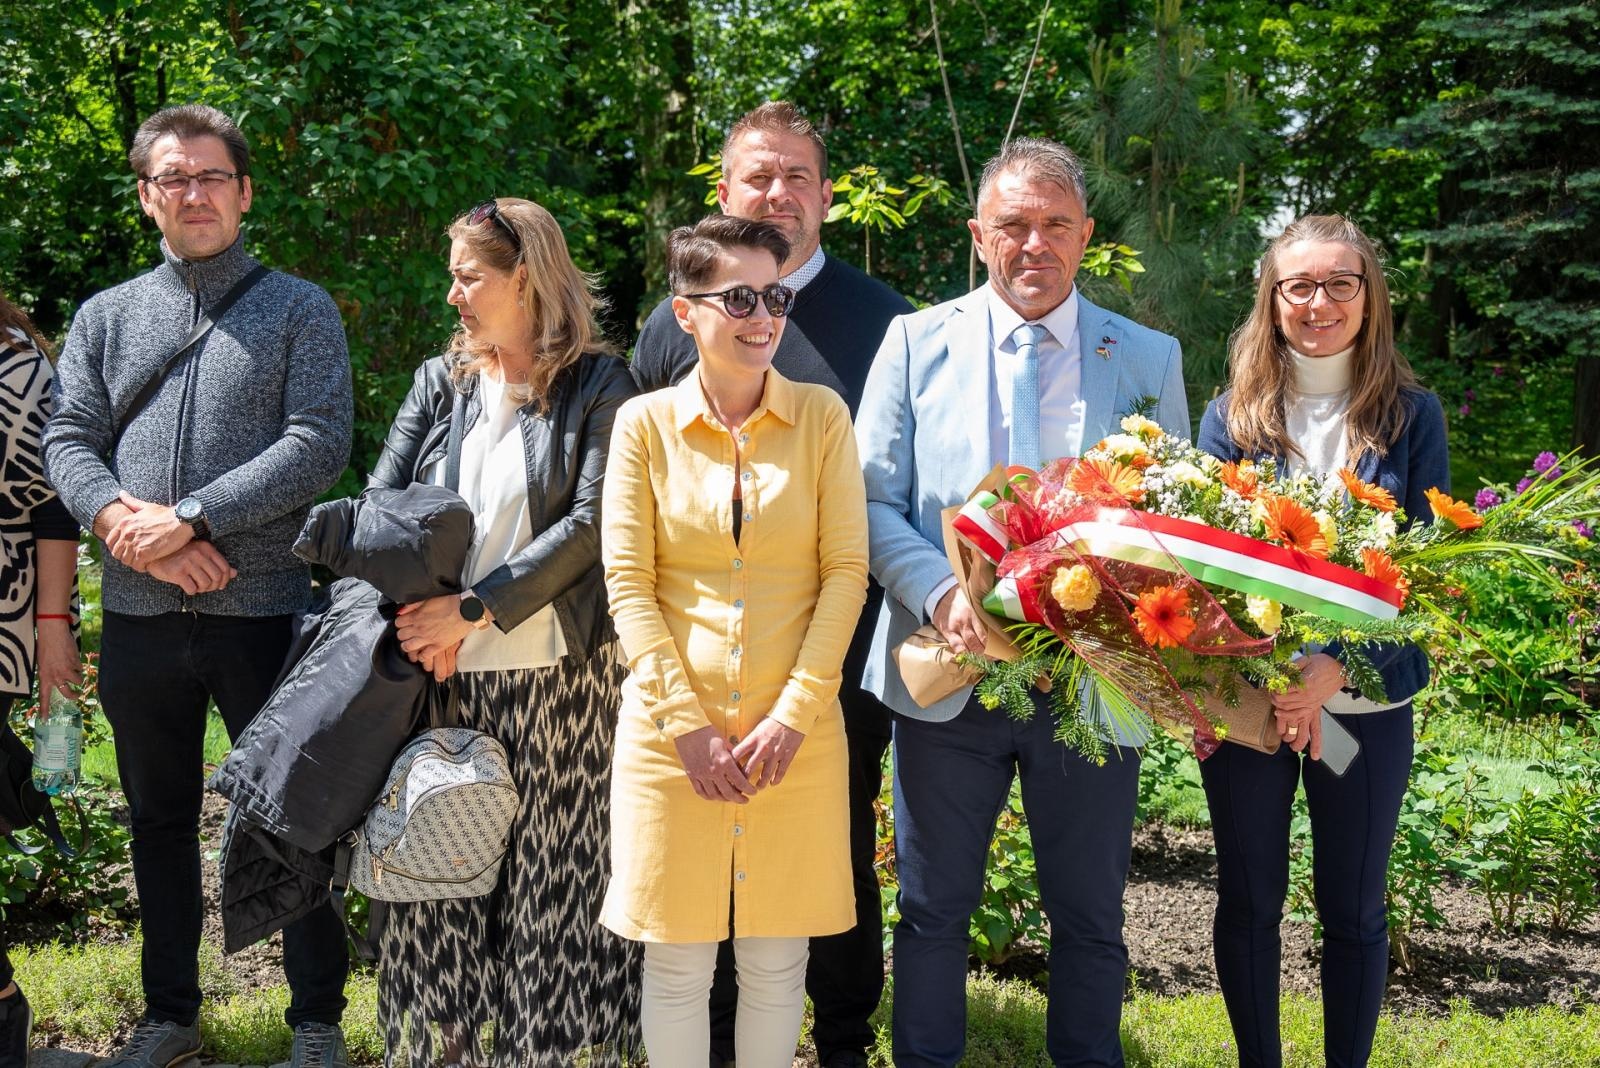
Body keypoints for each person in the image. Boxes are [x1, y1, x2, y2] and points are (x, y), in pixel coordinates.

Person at [855, 137, 1189, 1067]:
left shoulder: (1149, 355)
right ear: (979, 236)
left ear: (1085, 235)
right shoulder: (914, 342)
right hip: (950, 669)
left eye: (1054, 224)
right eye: (1013, 225)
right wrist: (937, 592)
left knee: (1090, 915)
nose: (1033, 243)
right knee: (931, 909)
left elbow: (1174, 515)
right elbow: (869, 498)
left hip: (1092, 677)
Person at [42, 105, 354, 1068]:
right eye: (174, 179)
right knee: (158, 822)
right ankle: (170, 1015)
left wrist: (193, 517)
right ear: (147, 198)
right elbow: (68, 440)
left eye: (212, 176)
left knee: (293, 817)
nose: (195, 194)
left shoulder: (299, 307)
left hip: (264, 610)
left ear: (245, 192)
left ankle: (316, 1022)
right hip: (140, 617)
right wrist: (130, 534)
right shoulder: (105, 316)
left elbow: (319, 441)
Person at [629, 100, 911, 1068]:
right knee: (701, 883)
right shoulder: (669, 329)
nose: (778, 192)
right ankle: (711, 1043)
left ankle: (841, 1040)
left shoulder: (888, 324)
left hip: (834, 659)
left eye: (797, 176)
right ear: (724, 191)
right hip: (694, 670)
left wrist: (811, 688)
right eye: (759, 175)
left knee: (829, 864)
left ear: (826, 197)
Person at [367, 196, 642, 1067]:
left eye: (468, 277)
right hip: (441, 675)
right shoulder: (439, 383)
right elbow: (381, 507)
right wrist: (427, 621)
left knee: (551, 887)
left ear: (524, 276)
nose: (453, 295)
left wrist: (472, 609)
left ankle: (544, 1053)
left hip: (562, 679)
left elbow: (595, 525)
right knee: (439, 877)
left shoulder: (602, 384)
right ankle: (445, 1054)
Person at [601, 214, 869, 1068]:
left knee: (777, 964)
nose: (764, 318)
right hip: (669, 740)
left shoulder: (822, 417)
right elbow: (628, 586)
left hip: (796, 740)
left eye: (776, 297)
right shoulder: (642, 426)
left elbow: (846, 575)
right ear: (686, 312)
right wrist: (685, 725)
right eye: (740, 298)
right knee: (677, 966)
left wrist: (795, 714)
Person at [1195, 214, 1448, 1068]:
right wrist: (1275, 678)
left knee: (1354, 908)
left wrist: (1334, 670)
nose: (1320, 302)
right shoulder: (1229, 419)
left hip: (1363, 709)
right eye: (1298, 285)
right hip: (1251, 704)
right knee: (1249, 900)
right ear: (1271, 300)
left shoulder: (1413, 418)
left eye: (1342, 283)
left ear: (1370, 297)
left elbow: (1425, 575)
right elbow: (1204, 573)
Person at [0, 291, 84, 1068]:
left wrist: (54, 631)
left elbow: (56, 503)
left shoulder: (15, 364)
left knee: (43, 770)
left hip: (6, 614)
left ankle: (1, 1004)